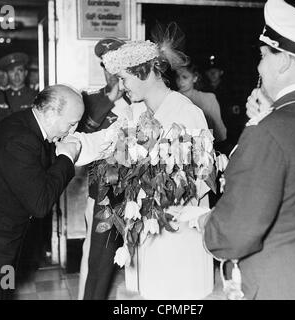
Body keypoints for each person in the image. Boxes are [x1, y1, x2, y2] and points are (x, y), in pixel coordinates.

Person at [198, 0, 295, 299]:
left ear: (282, 62)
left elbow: (233, 237)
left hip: (284, 286)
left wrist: (204, 222)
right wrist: (270, 117)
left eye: (263, 56)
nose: (259, 66)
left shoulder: (267, 133)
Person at [72, 32, 210, 299]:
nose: (122, 87)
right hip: (145, 234)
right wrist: (69, 145)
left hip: (177, 232)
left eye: (124, 78)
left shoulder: (187, 114)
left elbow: (201, 182)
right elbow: (105, 140)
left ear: (144, 71)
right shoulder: (135, 113)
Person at [0, 84, 83, 299]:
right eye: (71, 124)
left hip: (4, 250)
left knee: (6, 290)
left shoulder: (27, 127)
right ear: (50, 113)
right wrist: (67, 159)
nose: (72, 131)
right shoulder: (20, 139)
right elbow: (40, 204)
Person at [78, 37, 132, 300]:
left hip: (135, 192)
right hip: (101, 193)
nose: (111, 71)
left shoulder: (139, 97)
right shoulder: (92, 100)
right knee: (95, 257)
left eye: (117, 64)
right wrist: (111, 98)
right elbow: (83, 134)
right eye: (106, 65)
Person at [0, 52, 37, 134]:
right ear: (7, 74)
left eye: (20, 70)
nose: (16, 75)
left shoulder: (34, 97)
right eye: (12, 71)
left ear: (25, 73)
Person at [203, 55, 245, 154]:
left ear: (221, 72)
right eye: (210, 71)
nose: (212, 74)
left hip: (228, 136)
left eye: (215, 71)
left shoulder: (231, 91)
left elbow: (236, 117)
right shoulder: (203, 92)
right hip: (210, 134)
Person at [176, 63, 227, 142]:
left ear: (195, 78)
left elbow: (218, 130)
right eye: (177, 77)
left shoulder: (209, 99)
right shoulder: (172, 98)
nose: (180, 81)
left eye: (185, 77)